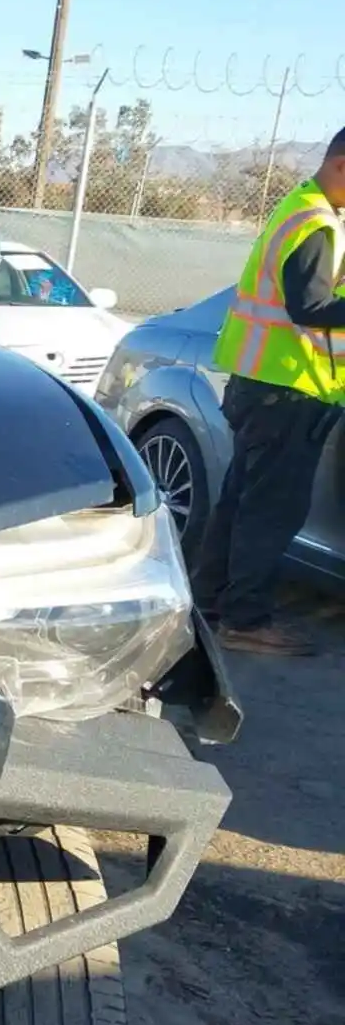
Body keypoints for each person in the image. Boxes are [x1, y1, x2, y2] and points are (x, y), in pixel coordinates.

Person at [192, 129, 345, 656]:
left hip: (264, 388)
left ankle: (210, 603)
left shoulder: (300, 210)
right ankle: (245, 621)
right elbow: (311, 308)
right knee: (270, 511)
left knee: (239, 503)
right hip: (288, 393)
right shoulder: (316, 223)